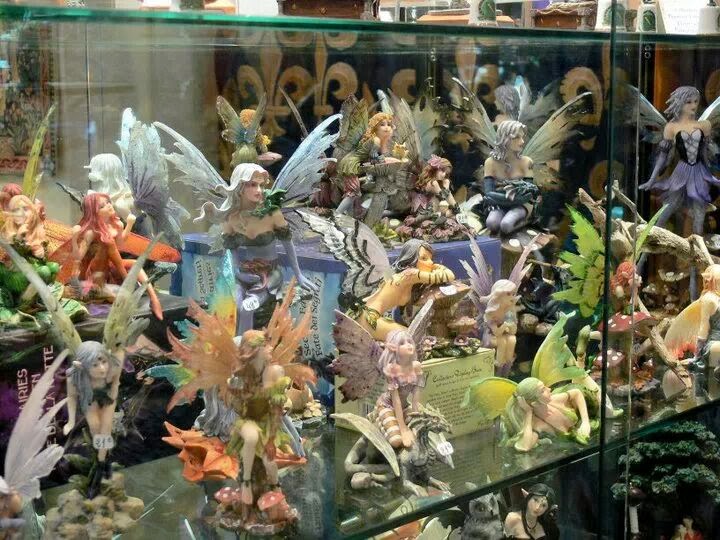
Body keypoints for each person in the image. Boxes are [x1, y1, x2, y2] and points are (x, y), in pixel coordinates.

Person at [203, 163, 317, 333]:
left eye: (261, 185)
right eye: (252, 185)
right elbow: (232, 254)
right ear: (239, 187)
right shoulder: (230, 218)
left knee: (246, 307)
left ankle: (247, 346)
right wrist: (237, 273)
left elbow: (288, 245)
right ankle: (235, 345)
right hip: (243, 274)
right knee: (233, 305)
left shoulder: (272, 214)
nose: (259, 190)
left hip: (270, 275)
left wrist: (298, 274)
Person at [349, 239, 454, 341]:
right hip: (368, 318)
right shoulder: (410, 275)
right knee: (412, 338)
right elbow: (449, 275)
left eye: (431, 258)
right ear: (411, 259)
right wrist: (437, 266)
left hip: (367, 315)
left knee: (412, 336)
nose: (430, 262)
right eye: (424, 258)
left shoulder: (403, 277)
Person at [502, 377, 592, 452]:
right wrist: (528, 413)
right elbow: (524, 447)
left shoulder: (554, 400)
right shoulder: (538, 424)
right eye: (543, 390)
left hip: (590, 405)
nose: (549, 389)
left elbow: (577, 392)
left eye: (545, 386)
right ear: (535, 403)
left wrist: (585, 422)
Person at [482, 120, 540, 236]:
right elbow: (488, 194)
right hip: (499, 205)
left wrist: (499, 195)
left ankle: (527, 222)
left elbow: (527, 195)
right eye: (517, 137)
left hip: (522, 206)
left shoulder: (526, 162)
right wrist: (512, 197)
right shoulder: (490, 162)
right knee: (492, 223)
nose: (522, 141)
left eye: (522, 137)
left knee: (506, 224)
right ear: (505, 138)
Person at [370, 329, 424, 449]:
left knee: (420, 426)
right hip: (388, 405)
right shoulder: (391, 369)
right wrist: (403, 428)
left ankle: (397, 422)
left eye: (409, 341)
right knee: (396, 441)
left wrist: (416, 421)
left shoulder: (417, 366)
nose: (408, 345)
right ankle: (377, 419)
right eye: (402, 343)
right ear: (394, 348)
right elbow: (396, 400)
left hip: (404, 405)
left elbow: (415, 398)